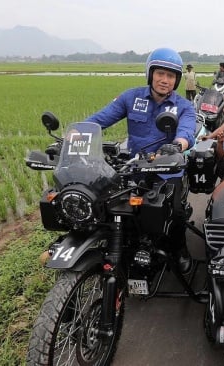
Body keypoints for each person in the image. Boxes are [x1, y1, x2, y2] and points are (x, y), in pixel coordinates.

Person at [86, 47, 195, 273]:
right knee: (107, 206)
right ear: (150, 73)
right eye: (160, 74)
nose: (165, 80)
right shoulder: (131, 97)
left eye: (170, 76)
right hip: (134, 169)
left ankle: (179, 249)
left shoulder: (183, 107)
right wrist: (77, 133)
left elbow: (186, 133)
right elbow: (101, 119)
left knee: (174, 213)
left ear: (176, 80)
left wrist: (177, 145)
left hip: (167, 170)